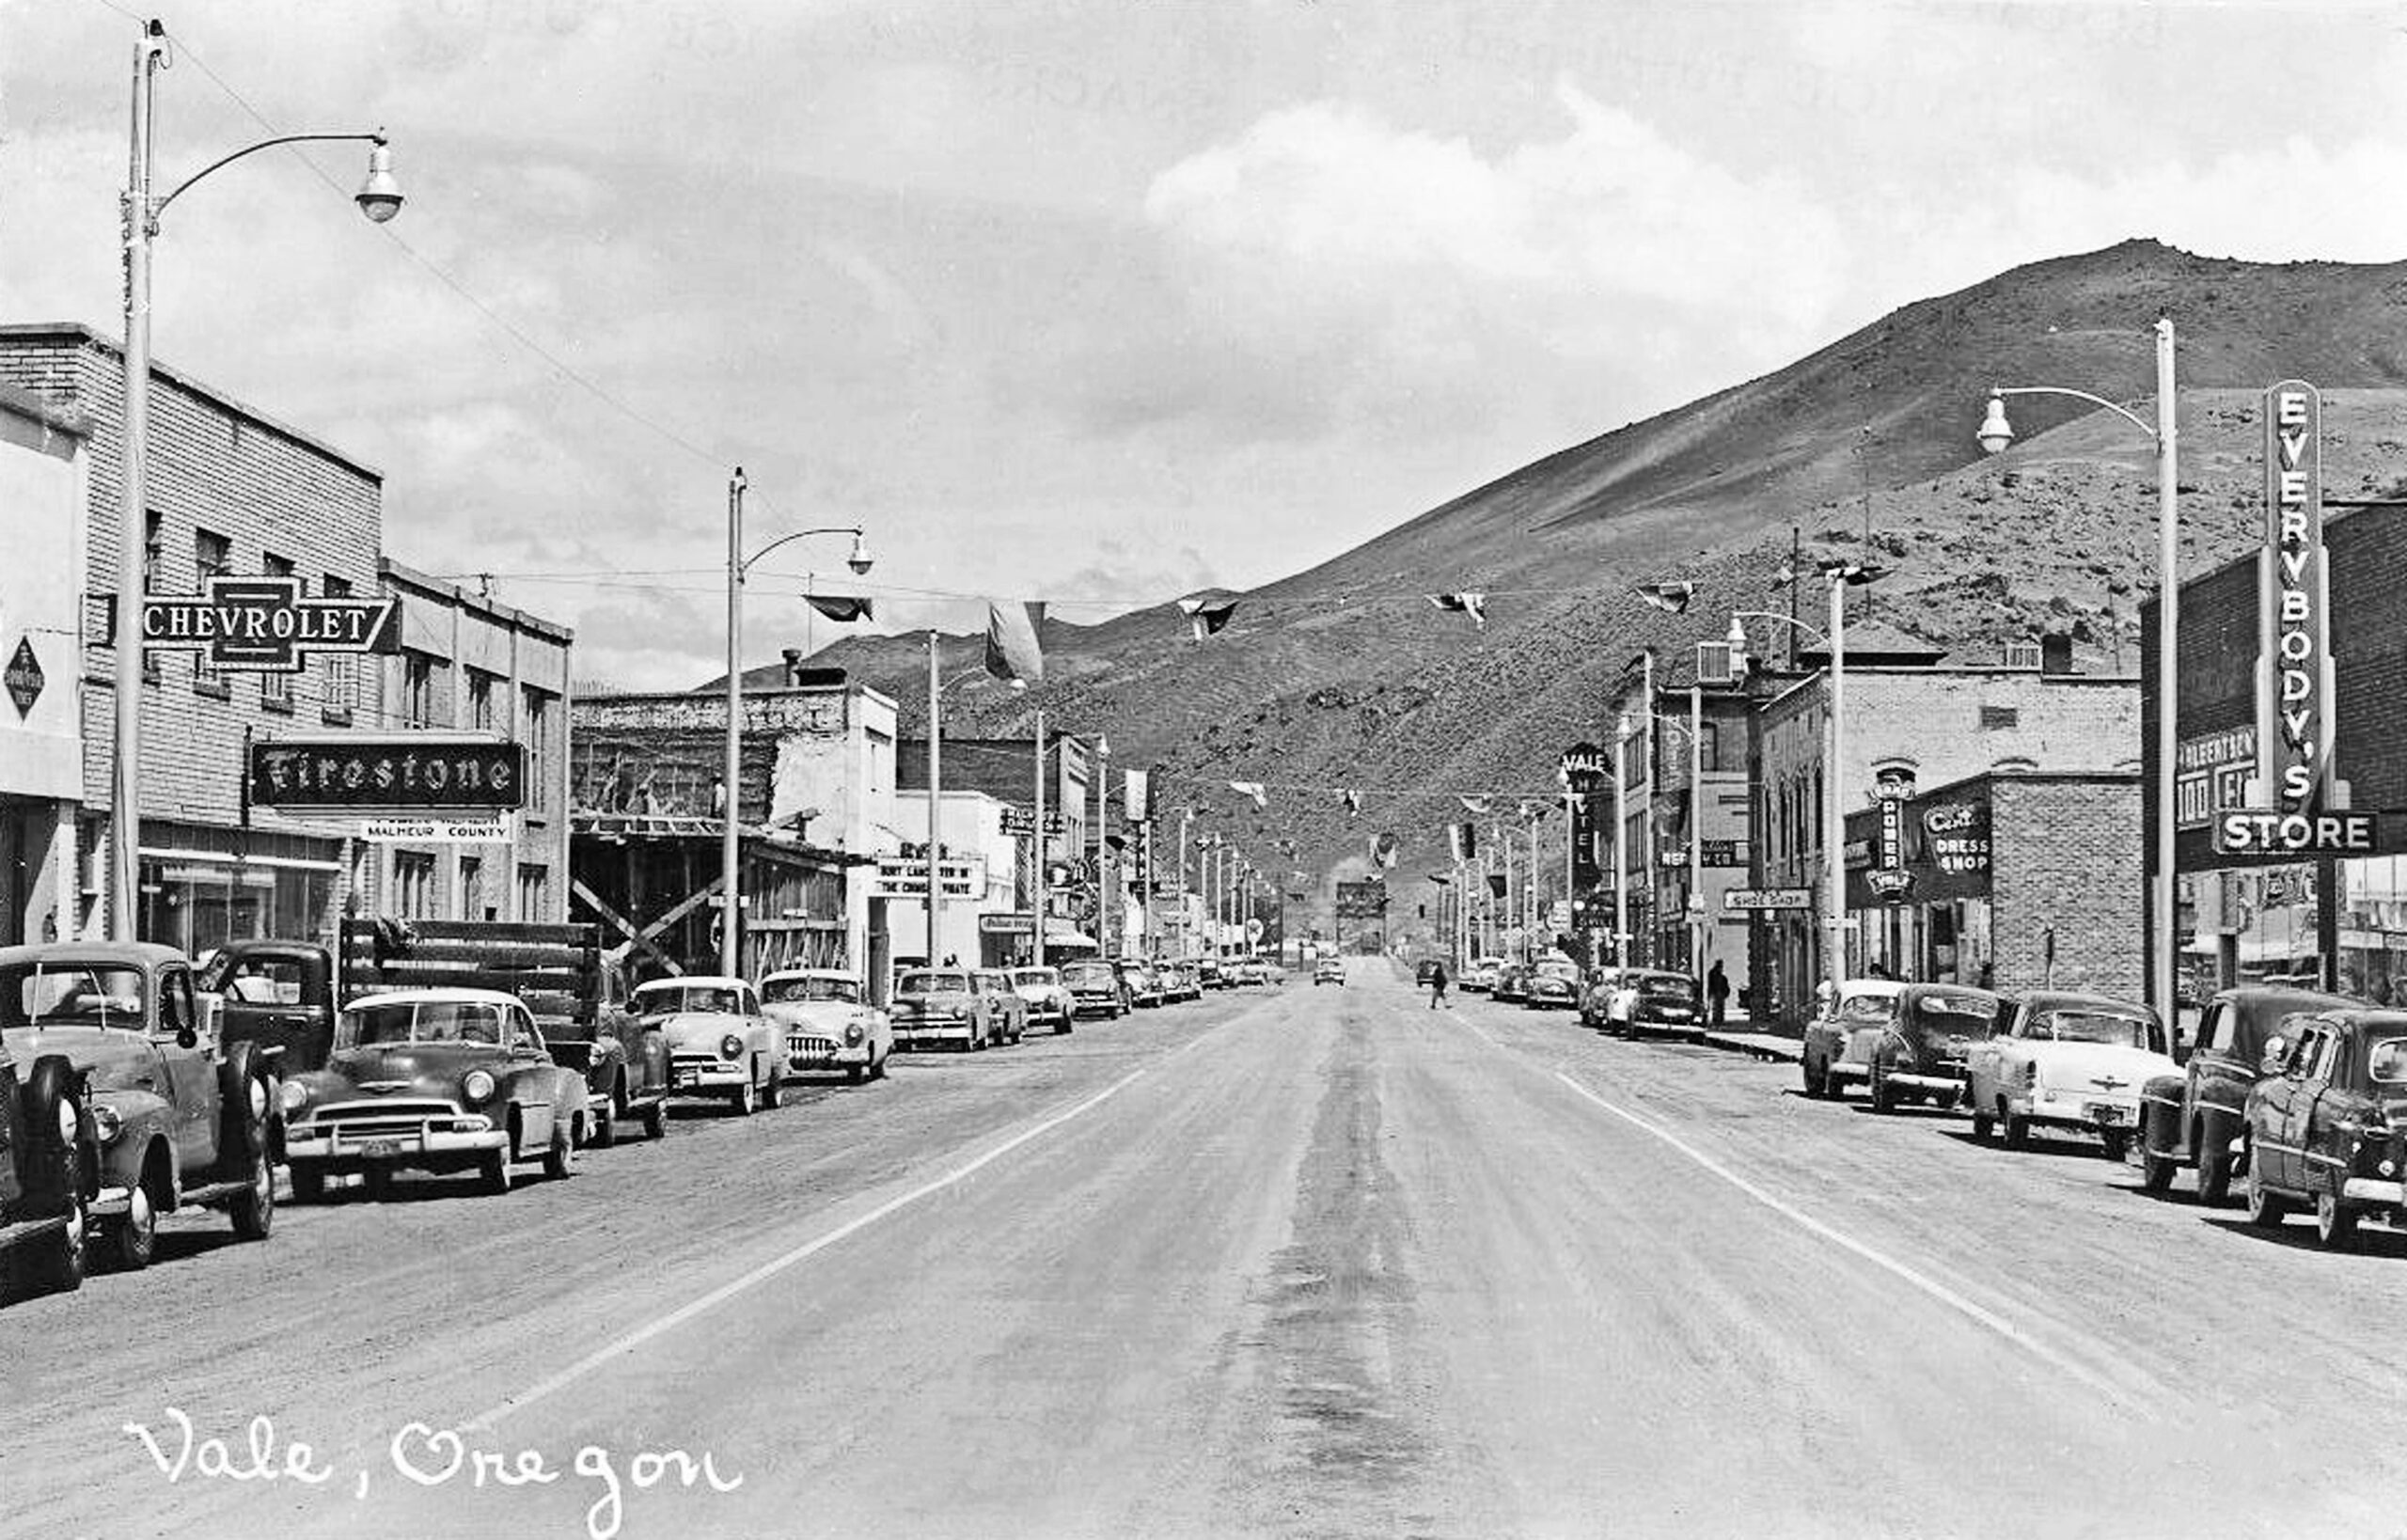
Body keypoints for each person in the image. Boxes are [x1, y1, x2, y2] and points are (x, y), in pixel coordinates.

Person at [1706, 960, 1729, 1029]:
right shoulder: (1715, 974)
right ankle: (1717, 1021)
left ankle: (1718, 1021)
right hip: (1717, 993)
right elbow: (1712, 984)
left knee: (1718, 1008)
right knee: (1717, 1008)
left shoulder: (1715, 974)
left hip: (1718, 993)